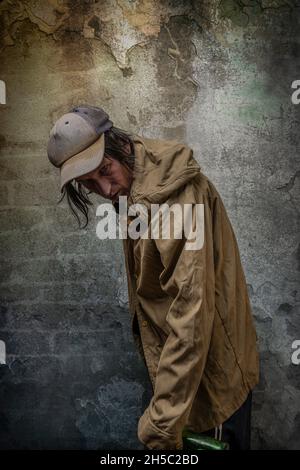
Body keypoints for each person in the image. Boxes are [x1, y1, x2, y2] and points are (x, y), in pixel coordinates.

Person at [47, 104, 260, 450]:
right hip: (182, 379)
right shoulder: (137, 183)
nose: (106, 189)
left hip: (211, 382)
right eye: (89, 184)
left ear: (120, 146)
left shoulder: (176, 199)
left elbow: (191, 314)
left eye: (105, 170)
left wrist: (161, 423)